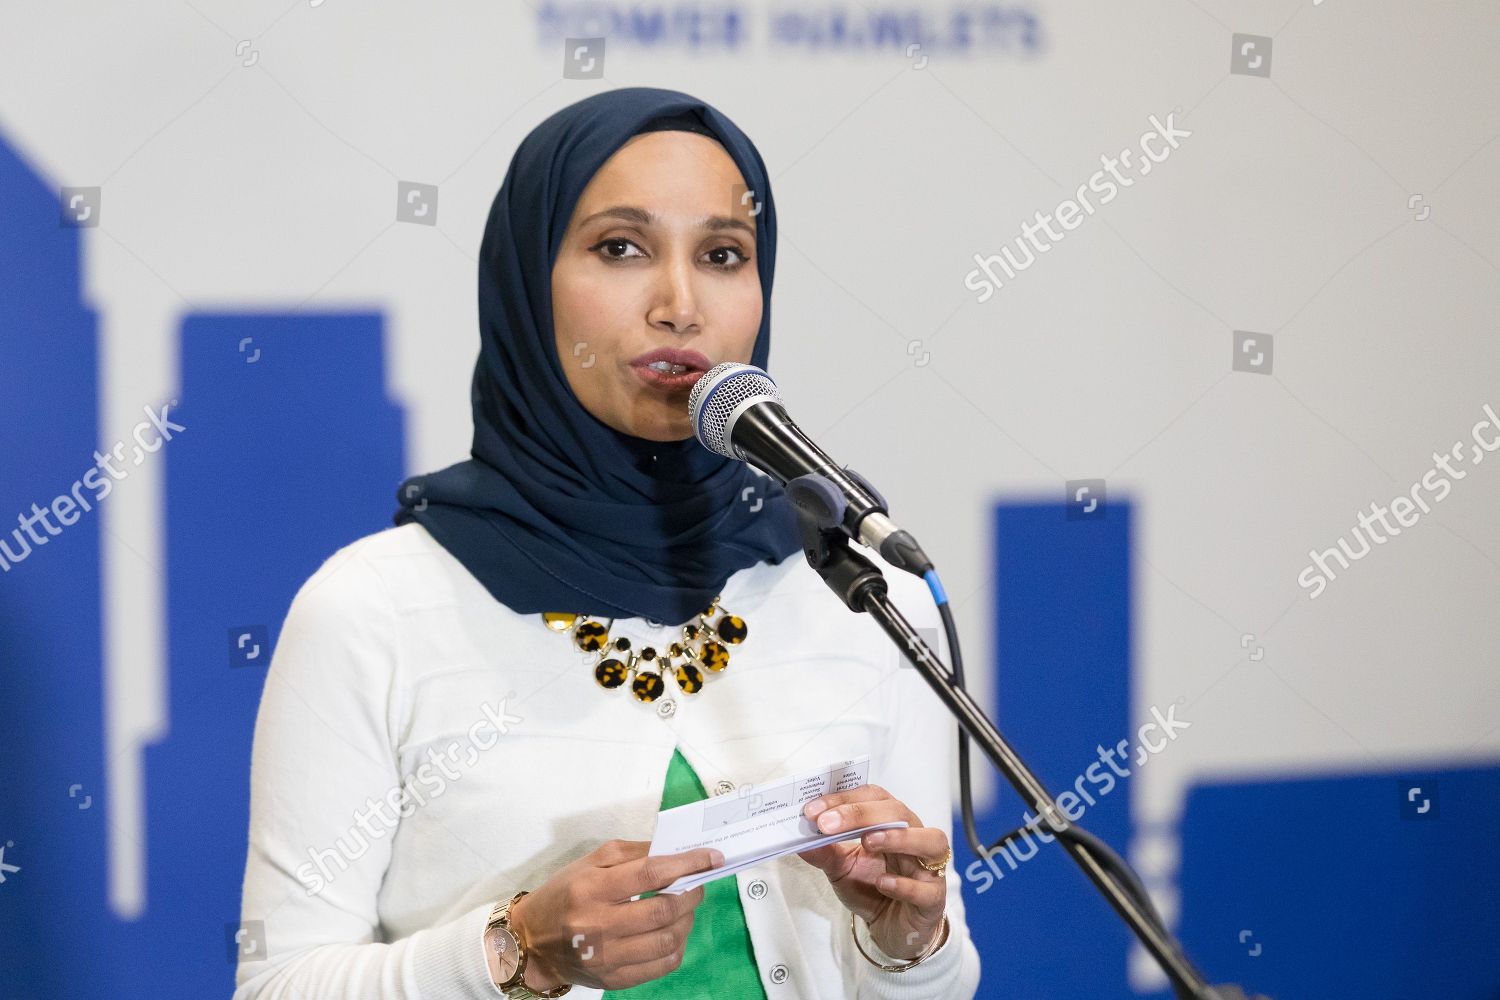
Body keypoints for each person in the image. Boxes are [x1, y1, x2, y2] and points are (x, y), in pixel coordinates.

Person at [233, 86, 981, 1000]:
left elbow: (925, 980)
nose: (679, 305)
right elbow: (276, 986)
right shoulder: (373, 610)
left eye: (722, 255)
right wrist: (518, 952)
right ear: (526, 281)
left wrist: (910, 945)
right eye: (620, 248)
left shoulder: (860, 589)